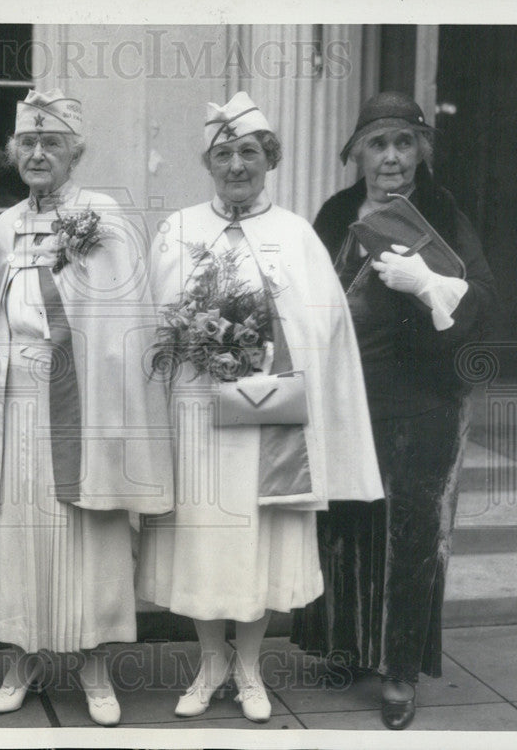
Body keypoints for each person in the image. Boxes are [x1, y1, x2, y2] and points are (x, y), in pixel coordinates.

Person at [136, 92, 383, 723]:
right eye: (224, 153)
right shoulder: (179, 229)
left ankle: (248, 665)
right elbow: (153, 322)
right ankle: (209, 659)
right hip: (197, 414)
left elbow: (325, 331)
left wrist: (261, 338)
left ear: (269, 158)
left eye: (249, 152)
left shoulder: (296, 234)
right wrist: (196, 333)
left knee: (258, 537)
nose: (237, 165)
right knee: (201, 538)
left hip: (269, 417)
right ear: (209, 162)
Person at [290, 91, 496, 730]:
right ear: (357, 154)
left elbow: (484, 303)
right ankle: (347, 649)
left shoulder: (442, 213)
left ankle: (400, 672)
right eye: (377, 145)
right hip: (345, 399)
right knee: (347, 526)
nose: (391, 158)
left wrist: (432, 286)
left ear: (420, 151)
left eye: (403, 144)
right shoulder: (332, 215)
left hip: (425, 399)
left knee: (411, 532)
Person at [0, 89, 174, 727]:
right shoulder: (2, 227)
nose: (36, 153)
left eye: (50, 143)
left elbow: (128, 320)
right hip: (16, 402)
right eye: (26, 142)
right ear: (12, 153)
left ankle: (94, 667)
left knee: (88, 534)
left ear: (73, 153)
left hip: (85, 402)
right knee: (18, 537)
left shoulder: (103, 215)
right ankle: (22, 660)